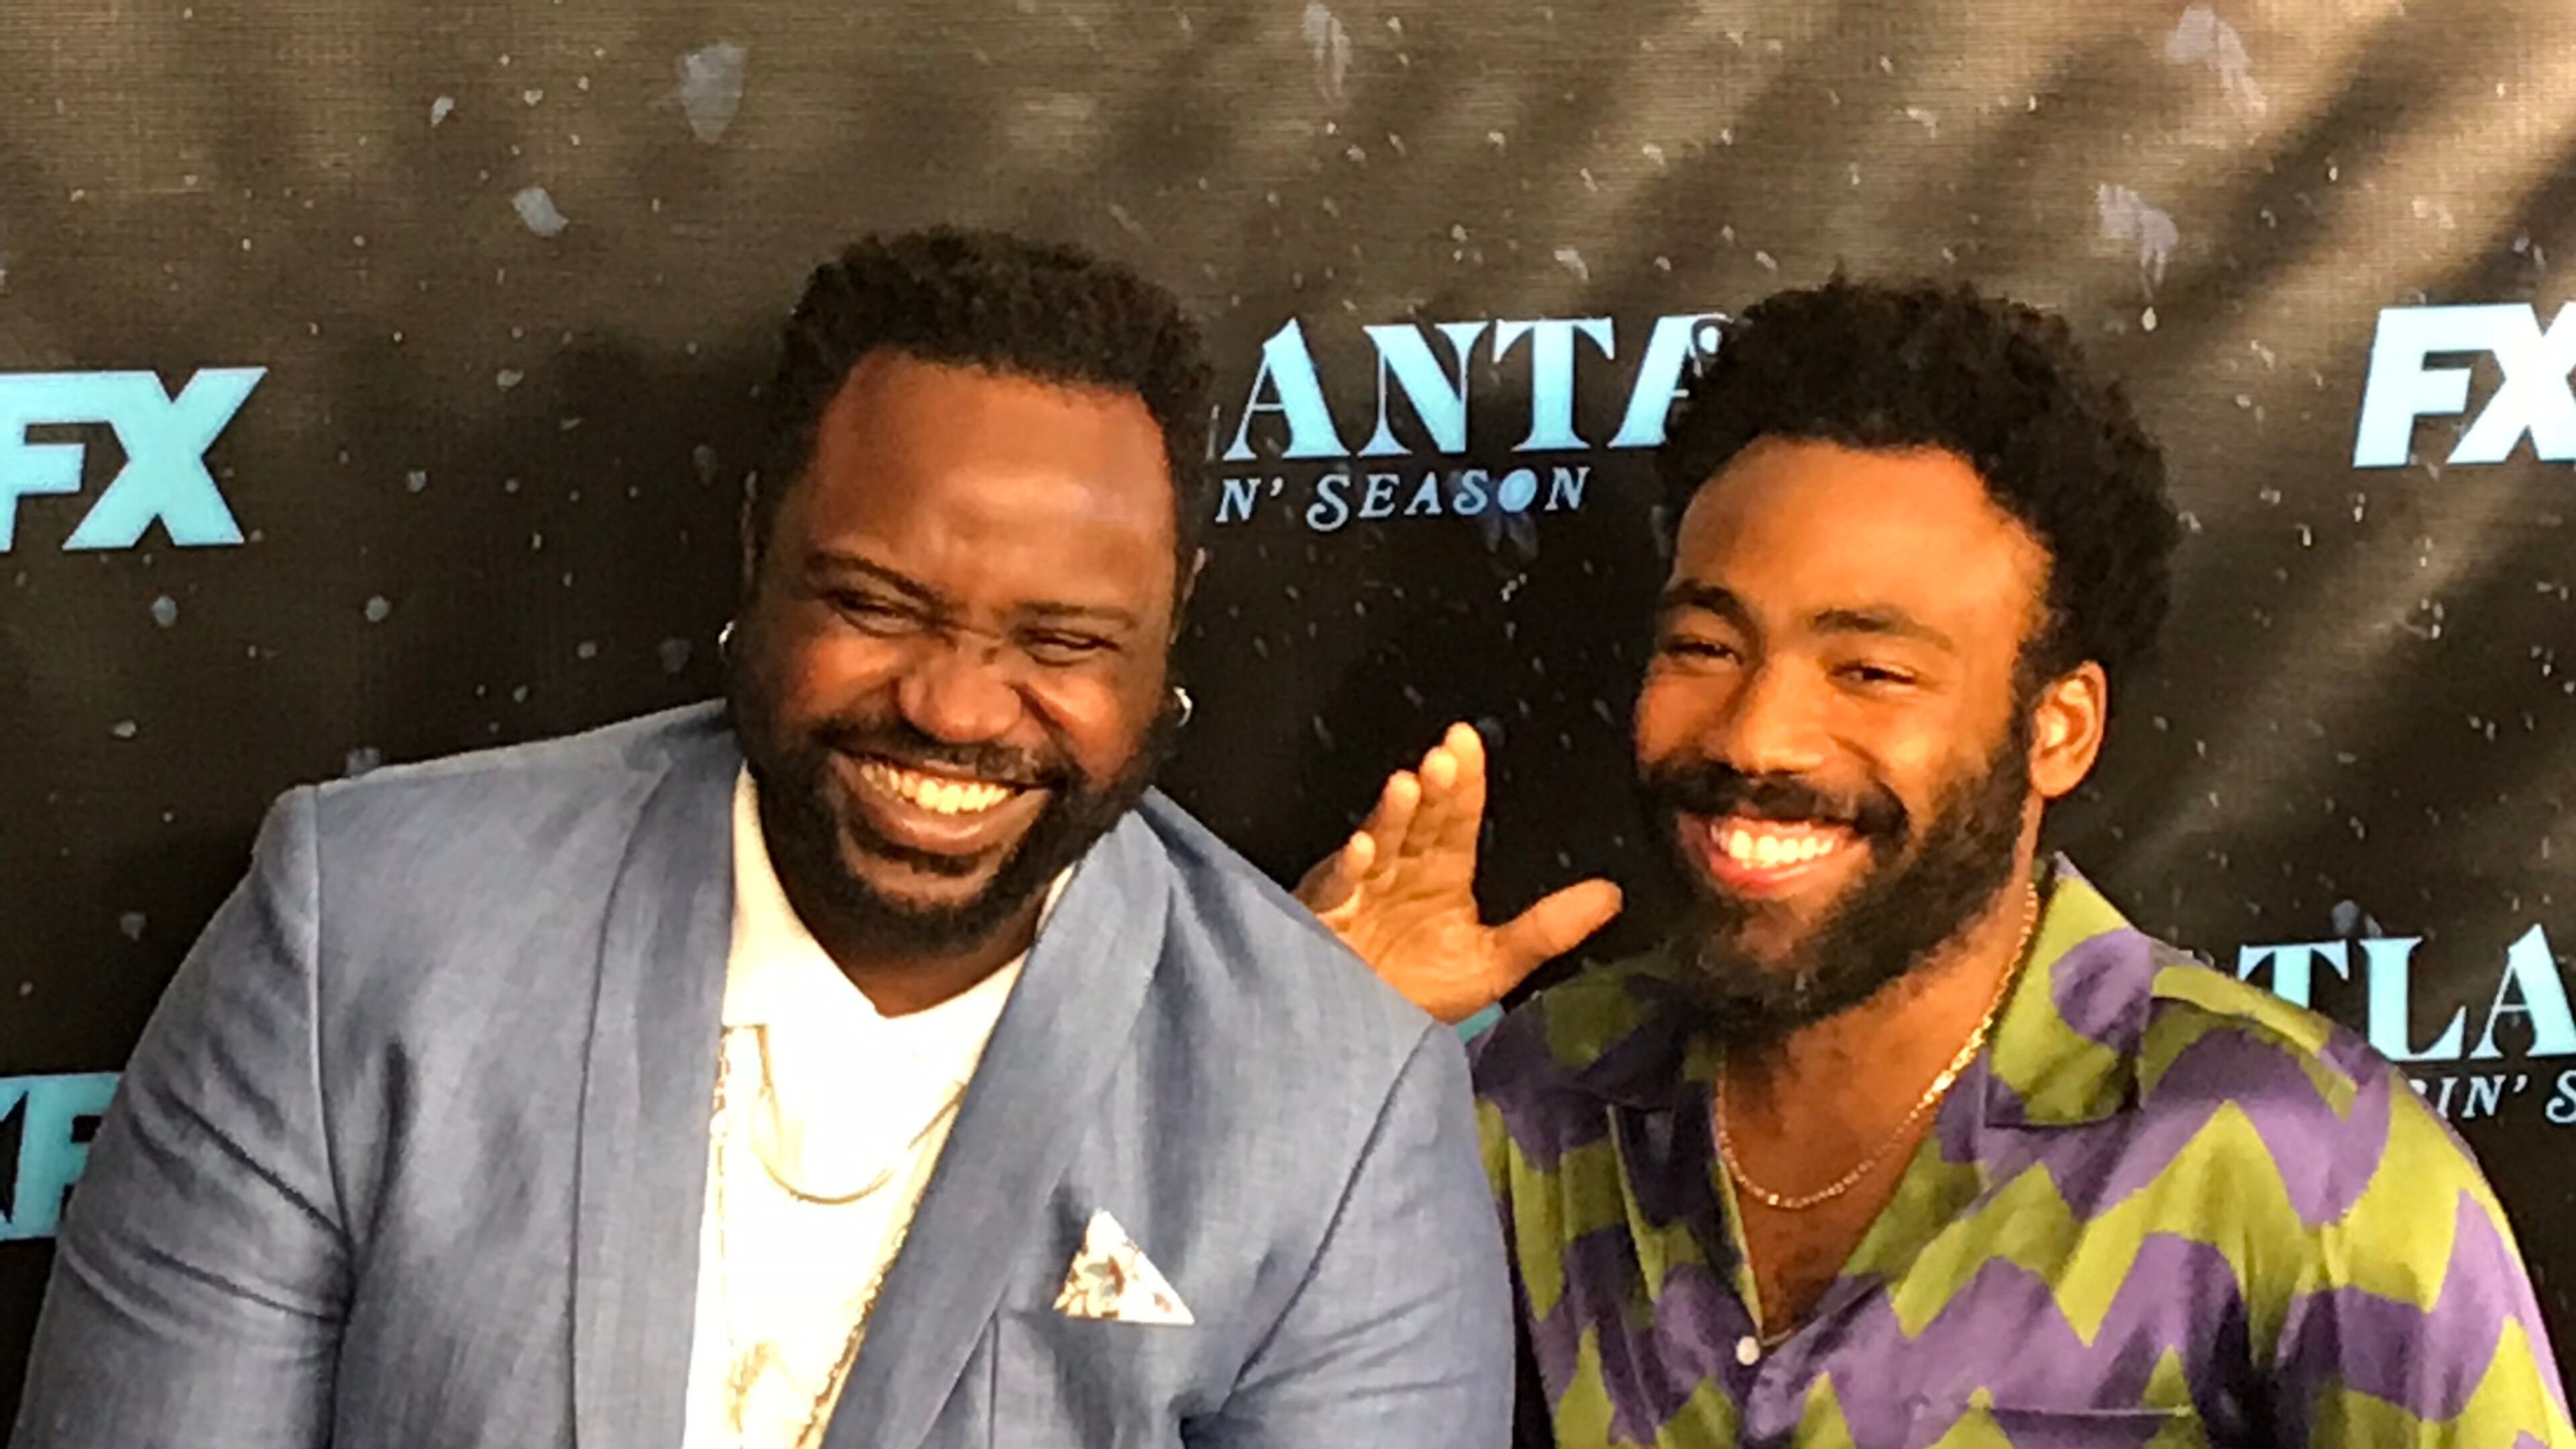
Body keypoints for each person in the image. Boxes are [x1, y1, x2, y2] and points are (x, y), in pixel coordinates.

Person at [11, 228, 1510, 1449]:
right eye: (875, 605)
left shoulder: (1332, 1105)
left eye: (1063, 640)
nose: (957, 707)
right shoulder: (370, 937)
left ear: (1168, 631)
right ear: (758, 556)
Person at [1297, 278, 2575, 1447]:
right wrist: (1301, 1071)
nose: (1757, 734)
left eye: (1872, 672)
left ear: (2056, 726)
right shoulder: (1535, 1103)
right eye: (1705, 645)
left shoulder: (2302, 1169)